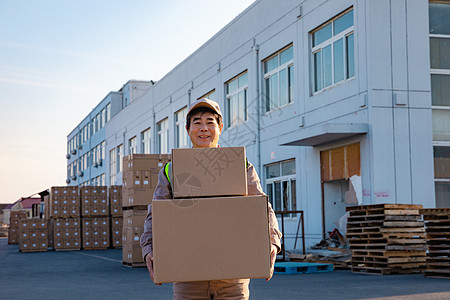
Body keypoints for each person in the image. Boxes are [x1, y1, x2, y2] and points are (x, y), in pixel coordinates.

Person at [140, 98, 282, 299]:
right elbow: (156, 214)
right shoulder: (172, 170)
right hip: (188, 277)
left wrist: (273, 242)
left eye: (210, 122)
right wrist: (149, 249)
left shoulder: (240, 166)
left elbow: (261, 208)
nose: (204, 128)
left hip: (233, 278)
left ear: (220, 127)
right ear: (188, 129)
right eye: (197, 123)